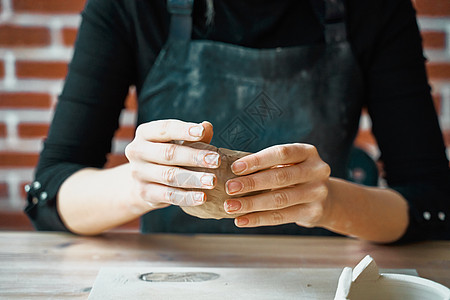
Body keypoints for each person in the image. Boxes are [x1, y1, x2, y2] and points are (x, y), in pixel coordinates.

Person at [24, 0, 449, 243]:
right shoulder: (131, 6)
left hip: (321, 276)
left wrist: (329, 202)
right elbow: (48, 194)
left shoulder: (373, 9)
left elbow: (433, 205)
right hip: (173, 279)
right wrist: (141, 185)